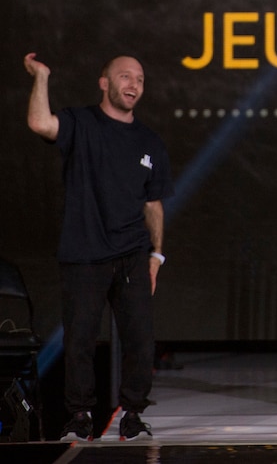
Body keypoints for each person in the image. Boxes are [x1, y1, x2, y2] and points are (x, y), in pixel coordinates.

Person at [24, 53, 174, 442]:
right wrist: (41, 77)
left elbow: (153, 203)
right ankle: (80, 417)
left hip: (132, 256)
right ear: (104, 82)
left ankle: (132, 415)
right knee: (80, 341)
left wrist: (156, 254)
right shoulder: (81, 123)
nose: (134, 84)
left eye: (140, 79)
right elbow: (40, 122)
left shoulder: (149, 142)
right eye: (125, 76)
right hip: (84, 255)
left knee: (140, 340)